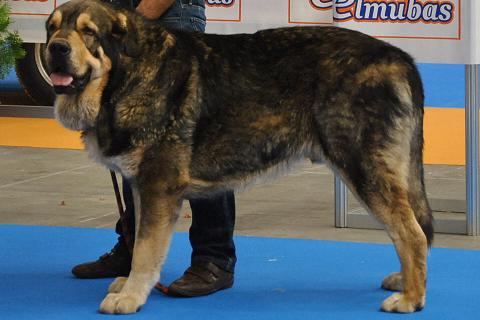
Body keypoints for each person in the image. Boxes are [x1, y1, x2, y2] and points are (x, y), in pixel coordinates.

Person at [71, 0, 237, 297]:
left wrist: (133, 23)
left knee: (201, 146)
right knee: (129, 145)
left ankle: (213, 259)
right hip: (117, 23)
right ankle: (133, 250)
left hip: (167, 19)